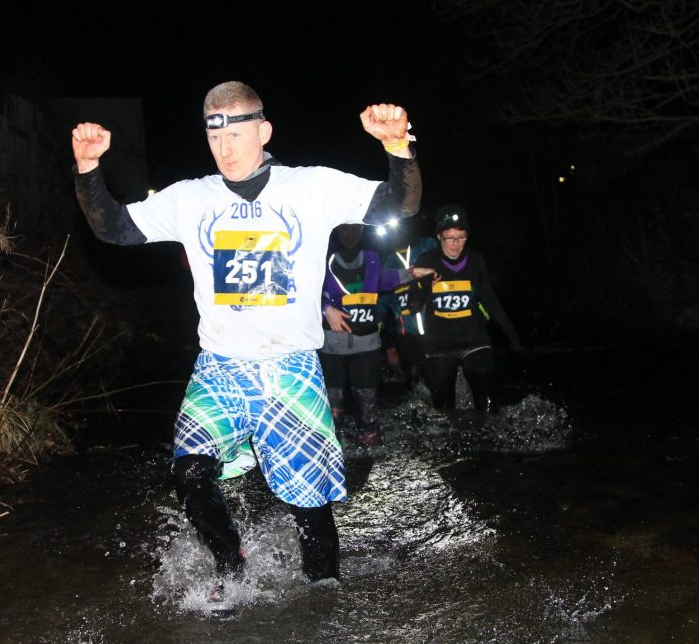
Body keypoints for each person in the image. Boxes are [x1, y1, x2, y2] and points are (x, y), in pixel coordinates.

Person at [70, 82, 421, 594]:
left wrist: (396, 148)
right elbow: (115, 229)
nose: (226, 150)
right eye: (215, 137)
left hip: (291, 368)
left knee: (309, 500)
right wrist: (88, 171)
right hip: (220, 368)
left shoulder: (312, 187)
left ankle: (324, 590)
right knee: (189, 471)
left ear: (264, 131)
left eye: (236, 134)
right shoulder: (191, 198)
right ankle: (231, 566)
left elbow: (401, 203)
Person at [320, 223, 429, 445]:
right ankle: (330, 448)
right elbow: (305, 290)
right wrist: (326, 309)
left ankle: (368, 441)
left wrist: (414, 273)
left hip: (366, 345)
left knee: (368, 414)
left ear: (361, 231)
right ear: (337, 232)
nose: (350, 234)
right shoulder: (324, 259)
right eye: (345, 230)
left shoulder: (372, 258)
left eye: (354, 229)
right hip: (332, 346)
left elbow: (384, 279)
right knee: (334, 410)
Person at [411, 204, 522, 411]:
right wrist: (423, 286)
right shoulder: (426, 260)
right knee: (443, 411)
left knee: (489, 405)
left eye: (461, 238)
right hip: (438, 346)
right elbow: (412, 303)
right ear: (438, 237)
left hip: (475, 341)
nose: (455, 245)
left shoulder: (476, 260)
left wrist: (513, 338)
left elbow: (491, 300)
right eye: (450, 238)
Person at [376, 213, 438, 389]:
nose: (394, 232)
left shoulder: (428, 245)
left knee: (439, 378)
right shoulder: (386, 262)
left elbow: (447, 272)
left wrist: (424, 292)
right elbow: (383, 305)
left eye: (397, 226)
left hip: (436, 327)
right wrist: (389, 345)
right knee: (414, 382)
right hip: (407, 335)